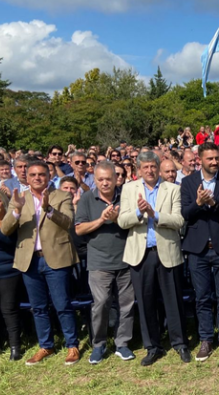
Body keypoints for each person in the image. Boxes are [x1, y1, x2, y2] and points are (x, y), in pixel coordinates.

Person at [1, 160, 80, 365]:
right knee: (38, 307)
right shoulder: (19, 198)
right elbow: (5, 229)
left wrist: (49, 209)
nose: (37, 178)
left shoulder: (61, 196)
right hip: (30, 260)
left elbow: (69, 223)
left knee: (62, 304)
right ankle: (46, 346)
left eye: (42, 175)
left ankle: (72, 345)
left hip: (56, 257)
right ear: (26, 177)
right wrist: (16, 211)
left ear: (49, 176)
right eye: (33, 175)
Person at [117, 151, 191, 366]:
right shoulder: (129, 189)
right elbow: (122, 221)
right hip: (141, 254)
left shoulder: (173, 189)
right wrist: (140, 214)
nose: (149, 170)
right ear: (139, 169)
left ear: (158, 167)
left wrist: (154, 214)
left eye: (152, 166)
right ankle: (153, 346)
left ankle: (180, 344)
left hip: (167, 251)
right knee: (146, 301)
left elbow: (178, 220)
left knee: (174, 301)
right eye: (145, 167)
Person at [181, 143, 219, 362]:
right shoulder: (188, 183)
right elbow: (185, 213)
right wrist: (198, 203)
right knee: (202, 297)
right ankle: (206, 339)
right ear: (200, 160)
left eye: (217, 158)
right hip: (198, 249)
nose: (214, 162)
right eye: (210, 159)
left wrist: (214, 203)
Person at [74, 161, 135, 364]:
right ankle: (99, 344)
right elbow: (79, 229)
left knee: (126, 305)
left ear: (116, 178)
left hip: (125, 259)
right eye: (100, 179)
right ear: (95, 180)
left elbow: (134, 224)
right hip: (99, 262)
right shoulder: (86, 199)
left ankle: (122, 344)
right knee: (100, 305)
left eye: (108, 179)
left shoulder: (126, 197)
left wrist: (117, 219)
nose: (105, 183)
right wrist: (101, 220)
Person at [0, 191, 21, 361]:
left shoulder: (13, 219)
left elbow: (9, 243)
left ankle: (15, 346)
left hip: (8, 270)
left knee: (8, 309)